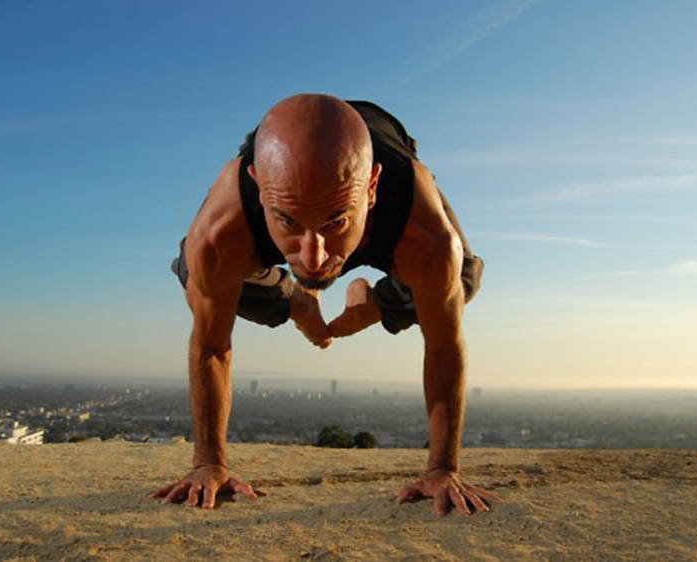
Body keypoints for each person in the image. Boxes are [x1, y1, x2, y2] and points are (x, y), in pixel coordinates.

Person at [151, 94, 497, 515]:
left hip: (387, 154)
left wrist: (443, 467)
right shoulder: (222, 232)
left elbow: (443, 347)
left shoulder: (420, 228)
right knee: (198, 272)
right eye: (289, 223)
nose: (313, 256)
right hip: (269, 189)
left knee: (459, 278)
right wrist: (208, 463)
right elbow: (211, 346)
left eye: (336, 223)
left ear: (370, 190)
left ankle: (374, 304)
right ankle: (294, 297)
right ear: (260, 188)